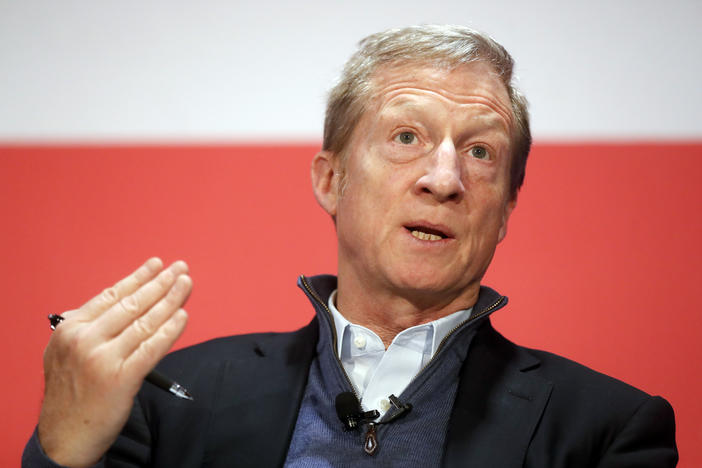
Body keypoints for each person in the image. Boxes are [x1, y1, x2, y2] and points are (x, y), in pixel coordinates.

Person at [23, 25, 677, 467]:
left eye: (480, 152)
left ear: (504, 210)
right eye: (406, 138)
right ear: (331, 180)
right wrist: (63, 447)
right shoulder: (168, 402)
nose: (444, 179)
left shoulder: (607, 431)